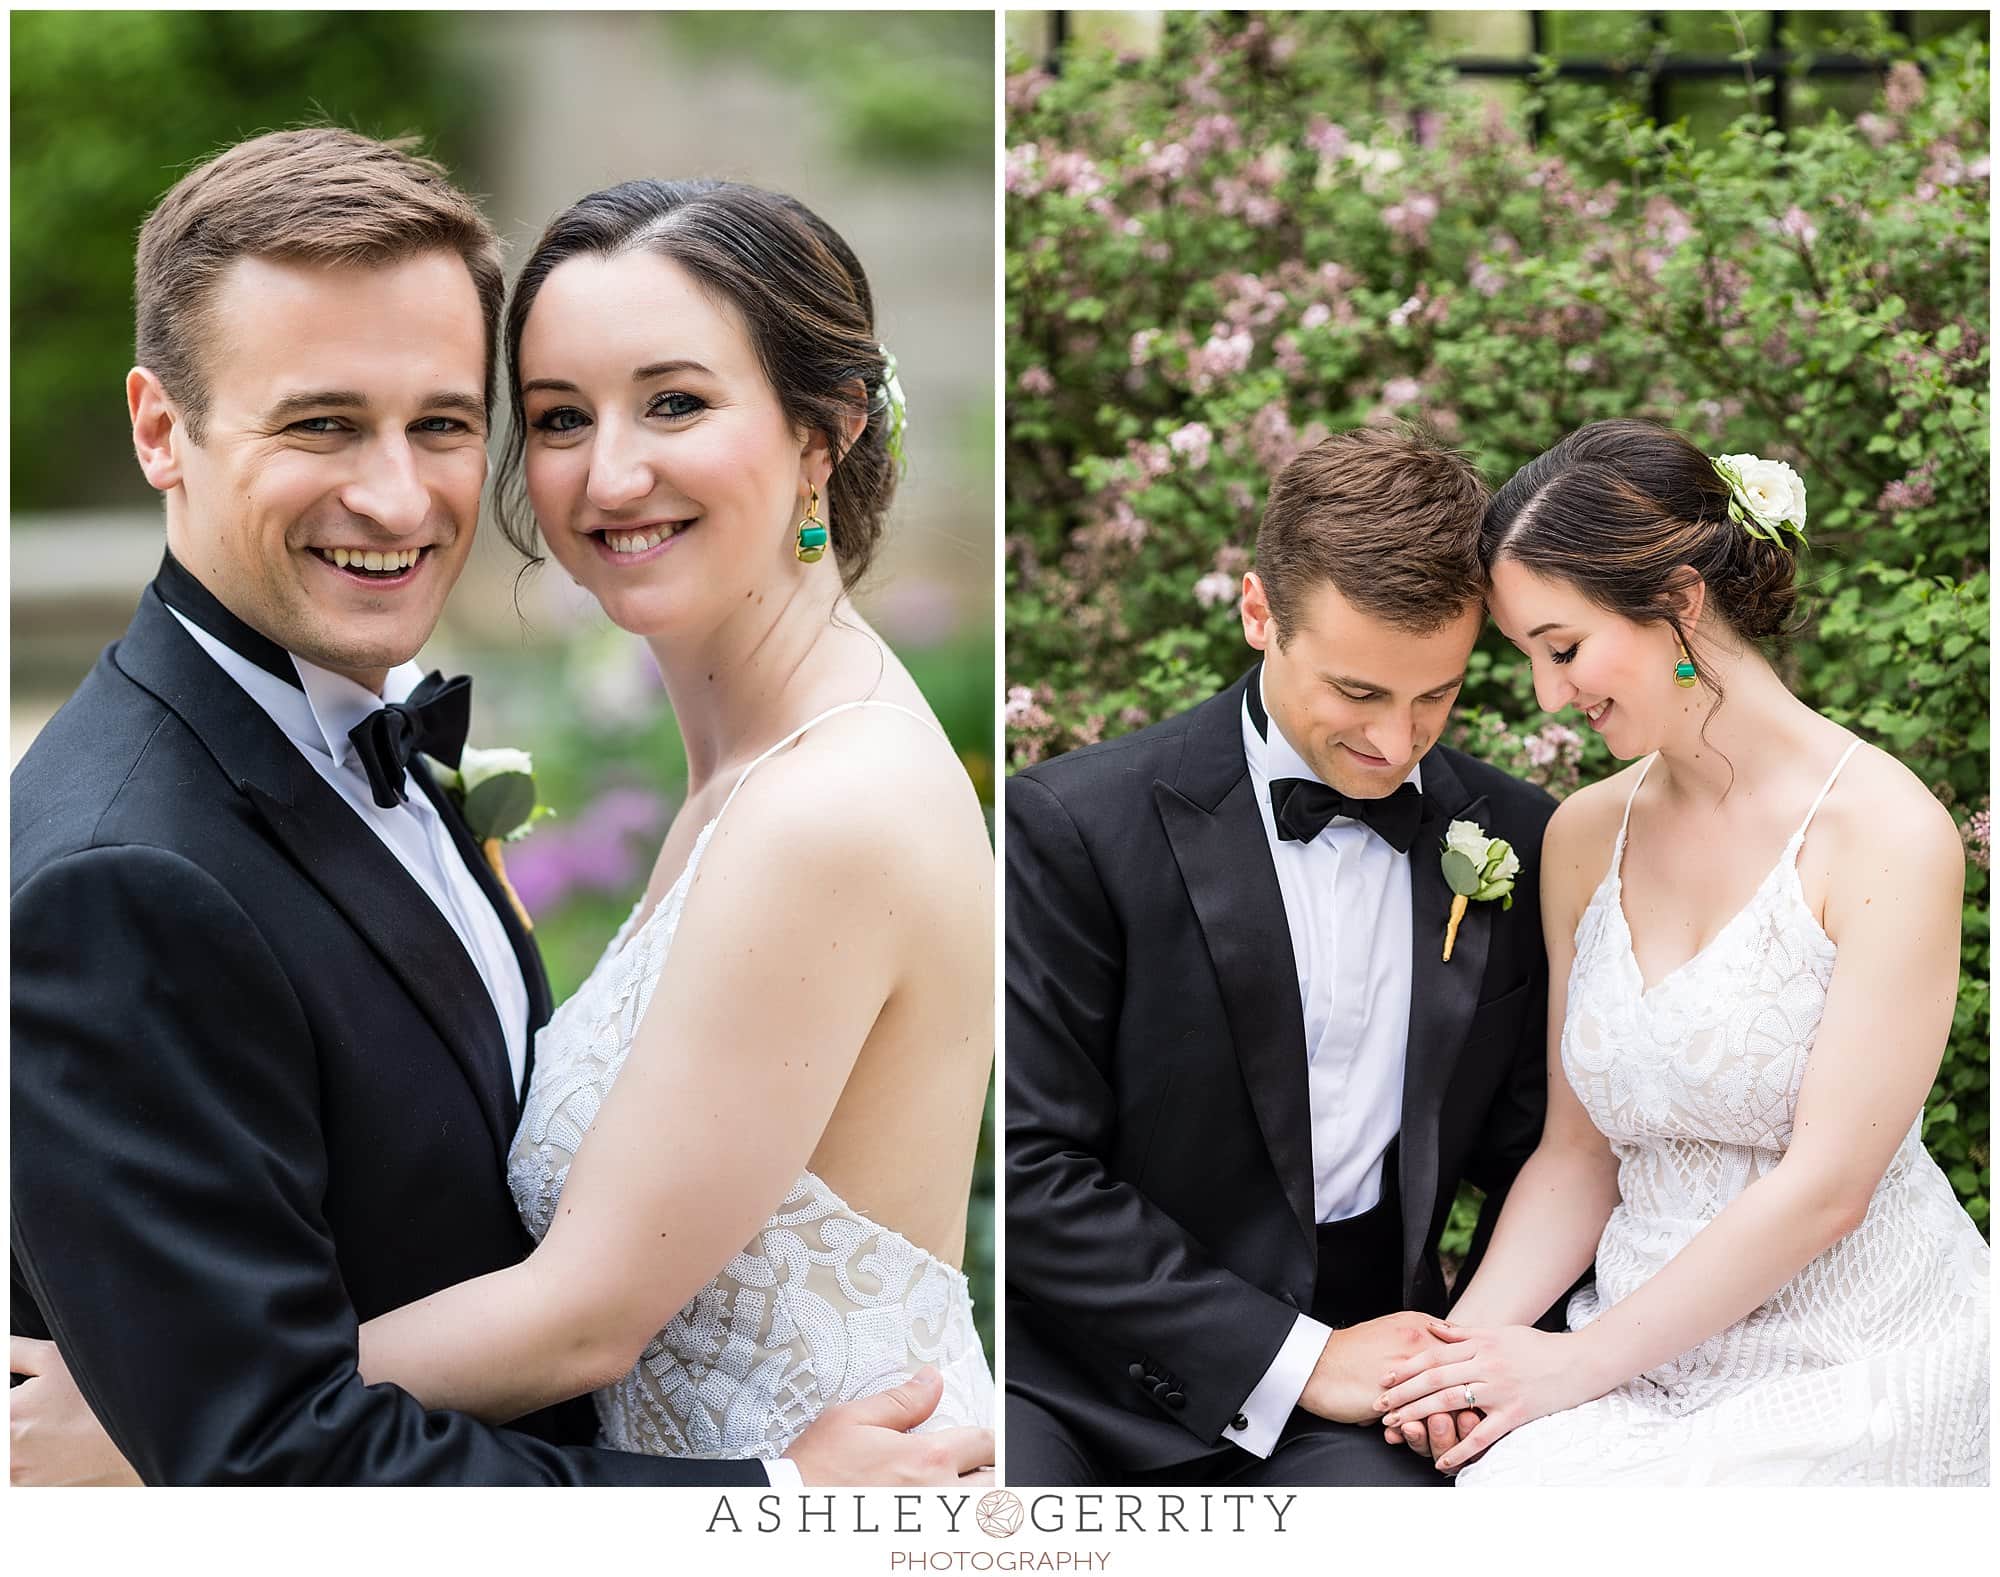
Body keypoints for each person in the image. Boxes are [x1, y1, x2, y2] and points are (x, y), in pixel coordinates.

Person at [10, 130, 993, 1486]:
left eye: (675, 403)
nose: (606, 474)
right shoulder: (129, 861)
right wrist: (201, 1402)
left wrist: (156, 1416)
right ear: (160, 429)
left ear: (820, 433)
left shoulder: (823, 802)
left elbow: (579, 1313)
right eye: (560, 416)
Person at [1370, 419, 1989, 1486]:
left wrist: (1564, 1367)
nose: (1549, 694)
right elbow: (1576, 1156)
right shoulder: (1579, 836)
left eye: (1560, 648)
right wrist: (1458, 1354)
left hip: (1852, 1352)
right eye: (1525, 658)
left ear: (1678, 605)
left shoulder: (1884, 832)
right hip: (1625, 1347)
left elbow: (1825, 1185)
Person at [1004, 425, 1561, 1487]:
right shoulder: (1074, 825)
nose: (1396, 745)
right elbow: (1028, 1172)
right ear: (1258, 612)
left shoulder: (1517, 836)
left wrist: (1470, 1354)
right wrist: (1296, 1359)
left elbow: (1536, 1149)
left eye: (1434, 694)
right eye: (1357, 693)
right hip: (1079, 1377)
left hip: (1366, 1382)